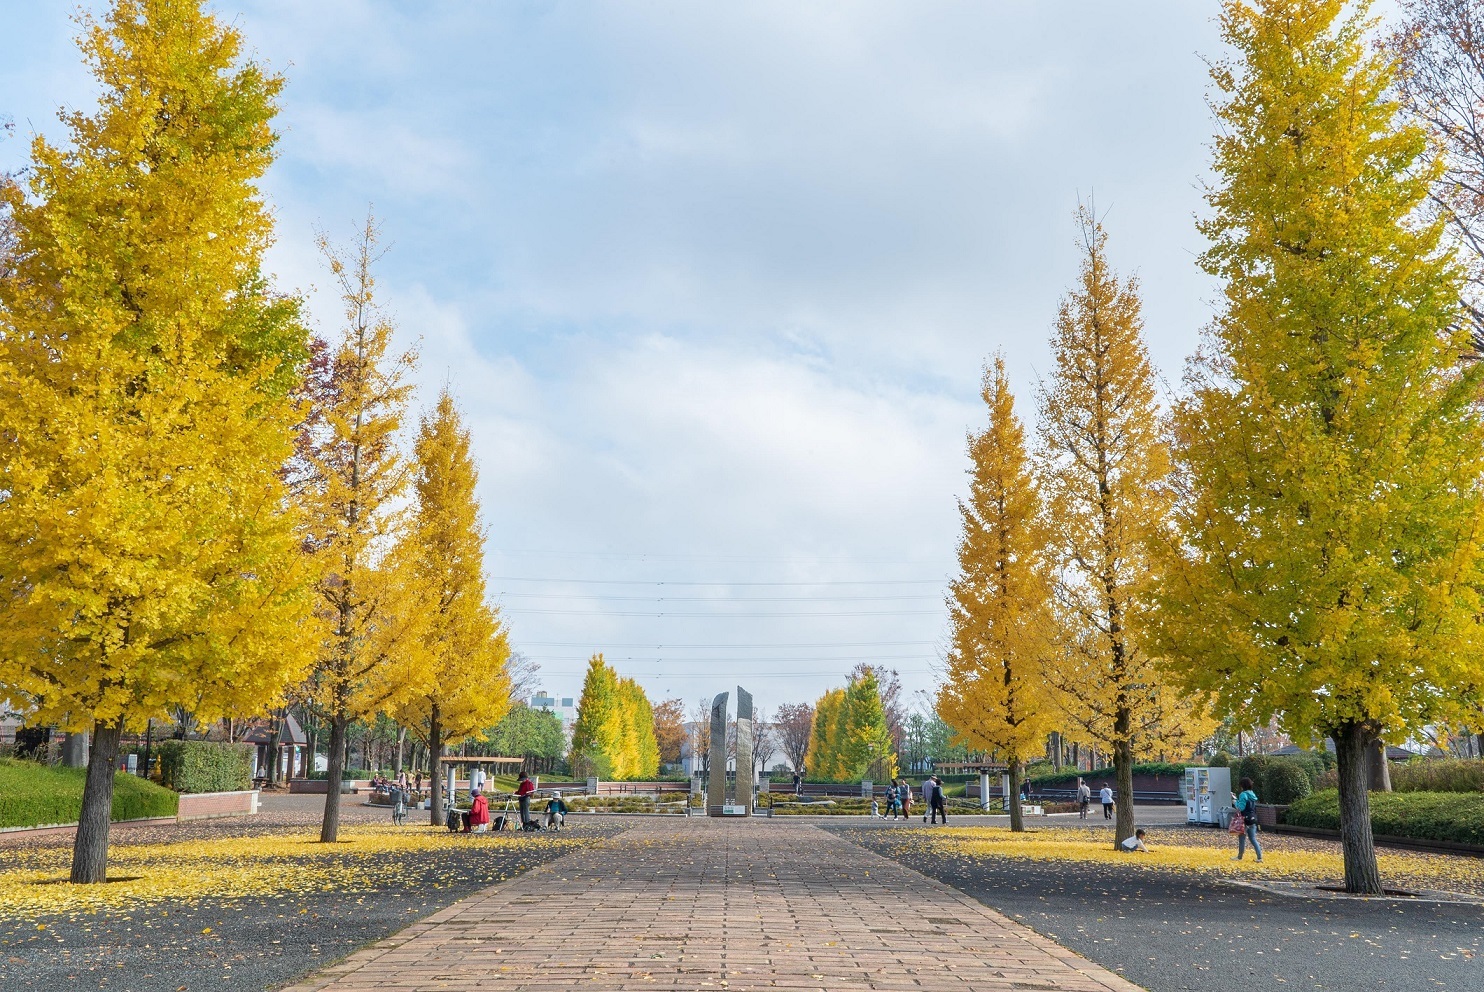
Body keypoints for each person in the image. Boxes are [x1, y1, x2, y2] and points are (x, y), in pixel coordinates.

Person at [1231, 777, 1264, 862]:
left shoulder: (1243, 794)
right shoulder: (1252, 794)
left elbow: (1240, 808)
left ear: (1242, 785)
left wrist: (1234, 801)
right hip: (1252, 819)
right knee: (1253, 839)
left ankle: (1239, 857)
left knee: (1242, 839)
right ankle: (1259, 857)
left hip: (1244, 820)